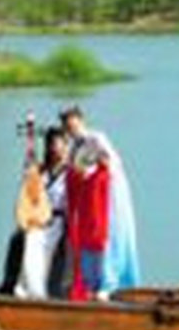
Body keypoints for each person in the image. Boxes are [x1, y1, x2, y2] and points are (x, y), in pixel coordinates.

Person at [58, 105, 141, 292]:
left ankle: (110, 282)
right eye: (66, 122)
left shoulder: (96, 138)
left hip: (107, 194)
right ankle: (91, 283)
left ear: (80, 119)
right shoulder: (72, 147)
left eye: (72, 120)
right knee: (88, 238)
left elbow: (110, 163)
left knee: (109, 235)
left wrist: (89, 167)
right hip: (87, 197)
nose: (70, 125)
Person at [1, 127, 70, 298]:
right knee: (19, 237)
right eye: (51, 144)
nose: (55, 149)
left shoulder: (71, 173)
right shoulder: (41, 171)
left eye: (58, 144)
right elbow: (30, 197)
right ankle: (13, 285)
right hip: (40, 219)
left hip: (59, 221)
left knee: (34, 239)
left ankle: (37, 291)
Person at [65, 139, 112, 301]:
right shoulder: (81, 179)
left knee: (99, 268)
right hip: (85, 230)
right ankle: (90, 293)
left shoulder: (102, 176)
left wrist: (103, 161)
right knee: (87, 270)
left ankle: (101, 291)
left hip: (99, 230)